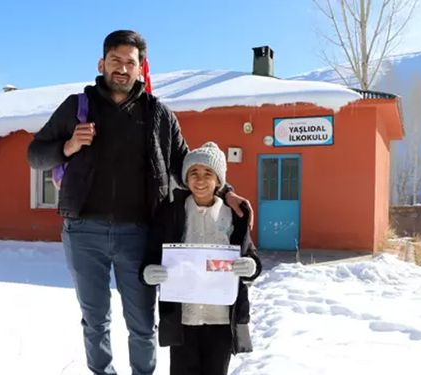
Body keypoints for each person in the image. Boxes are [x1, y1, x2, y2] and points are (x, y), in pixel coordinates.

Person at [27, 30, 252, 375]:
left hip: (139, 234)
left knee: (143, 324)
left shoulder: (159, 115)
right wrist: (68, 146)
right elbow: (35, 155)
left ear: (141, 67)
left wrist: (226, 191)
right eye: (115, 60)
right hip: (83, 232)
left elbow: (187, 165)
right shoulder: (77, 107)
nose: (122, 68)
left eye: (130, 62)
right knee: (95, 320)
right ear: (102, 63)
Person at [141, 142, 261, 375]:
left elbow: (251, 255)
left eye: (208, 173)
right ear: (186, 178)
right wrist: (148, 271)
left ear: (219, 180)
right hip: (183, 318)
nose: (200, 180)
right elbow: (152, 254)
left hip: (222, 319)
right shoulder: (172, 212)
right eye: (193, 173)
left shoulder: (234, 215)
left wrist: (251, 266)